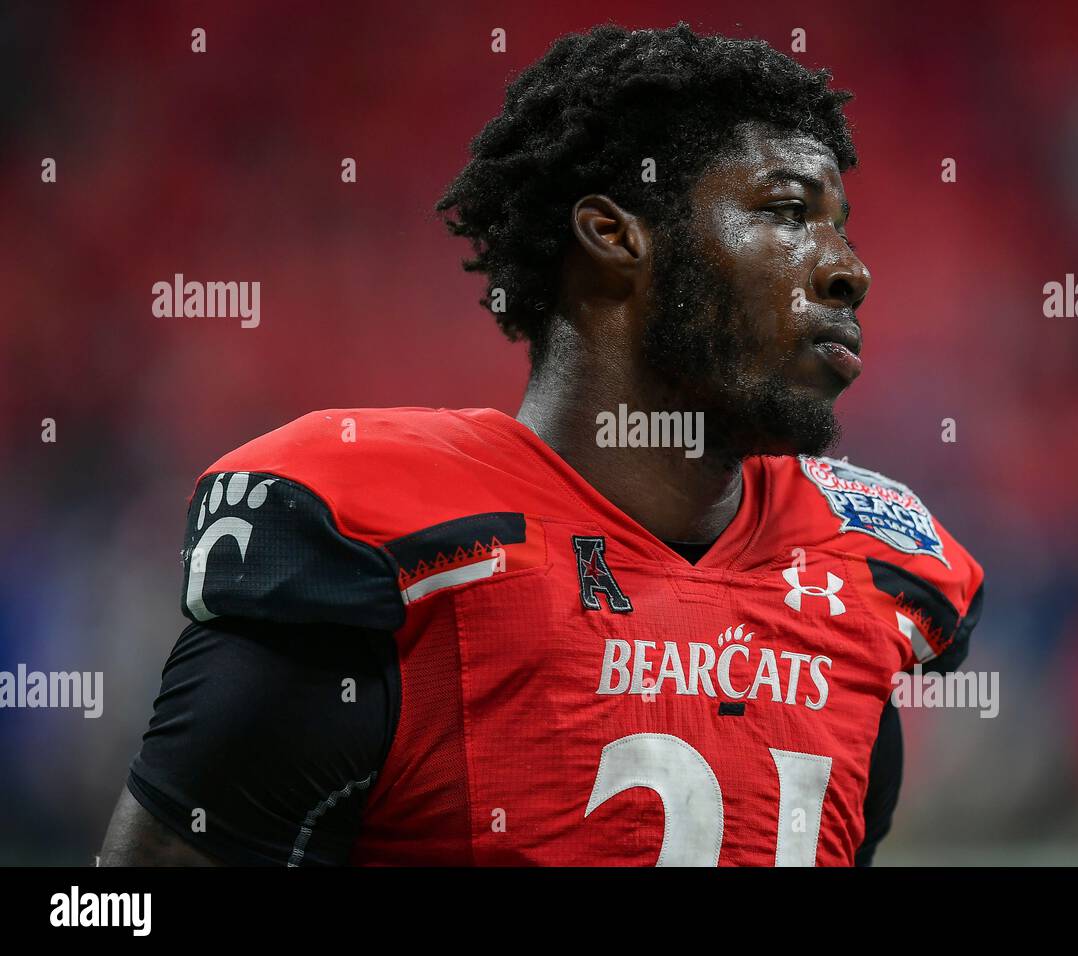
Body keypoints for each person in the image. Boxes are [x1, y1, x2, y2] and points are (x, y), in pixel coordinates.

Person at [100, 21, 983, 867]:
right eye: (788, 211)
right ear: (612, 236)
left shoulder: (867, 585)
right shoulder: (386, 565)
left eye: (843, 224)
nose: (848, 267)